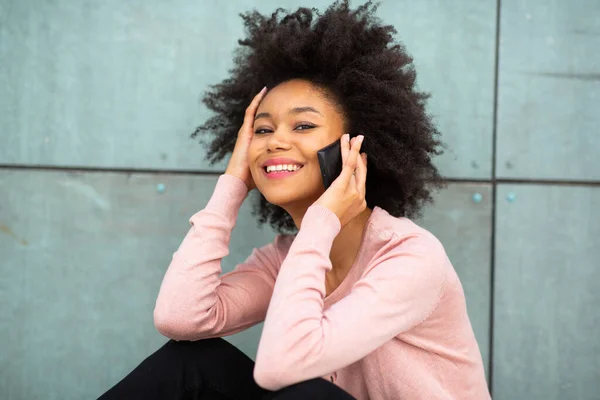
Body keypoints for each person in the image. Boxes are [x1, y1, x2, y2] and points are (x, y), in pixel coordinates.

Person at [98, 1, 491, 399]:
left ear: (355, 147)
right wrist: (233, 182)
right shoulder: (287, 259)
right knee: (189, 363)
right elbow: (179, 317)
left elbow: (282, 365)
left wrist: (322, 220)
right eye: (263, 130)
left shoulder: (410, 257)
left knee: (307, 393)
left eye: (303, 125)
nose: (277, 142)